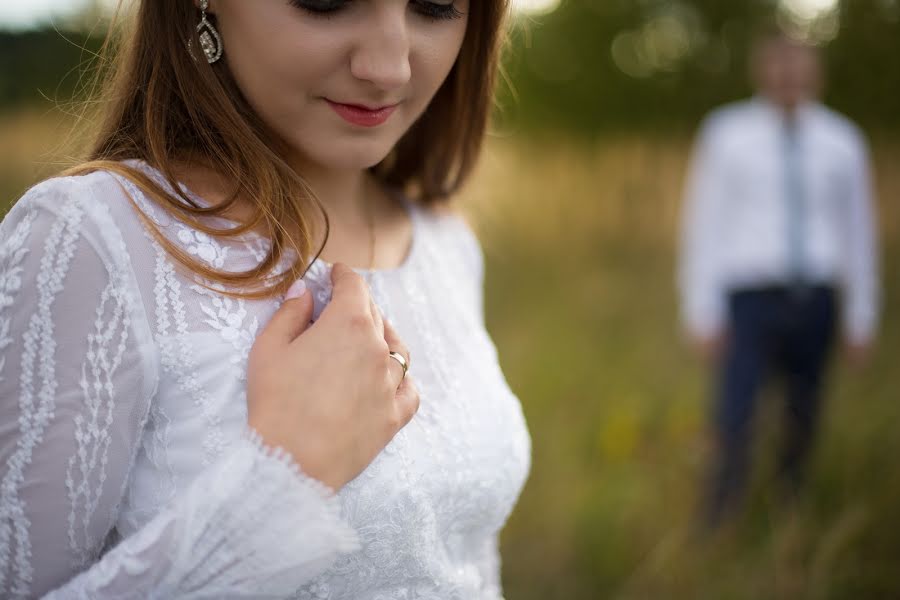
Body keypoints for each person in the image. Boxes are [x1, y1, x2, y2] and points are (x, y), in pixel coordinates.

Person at [0, 0, 531, 597]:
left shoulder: (446, 243)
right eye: (328, 1)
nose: (389, 66)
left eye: (436, 4)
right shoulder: (94, 239)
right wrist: (282, 484)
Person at [678, 27, 879, 529]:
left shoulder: (843, 141)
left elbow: (858, 232)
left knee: (803, 414)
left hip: (816, 299)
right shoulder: (726, 133)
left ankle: (789, 516)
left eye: (799, 64)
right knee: (735, 414)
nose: (788, 74)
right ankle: (719, 520)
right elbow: (703, 223)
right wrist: (700, 308)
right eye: (778, 63)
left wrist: (861, 314)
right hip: (750, 298)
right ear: (760, 69)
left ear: (817, 71)